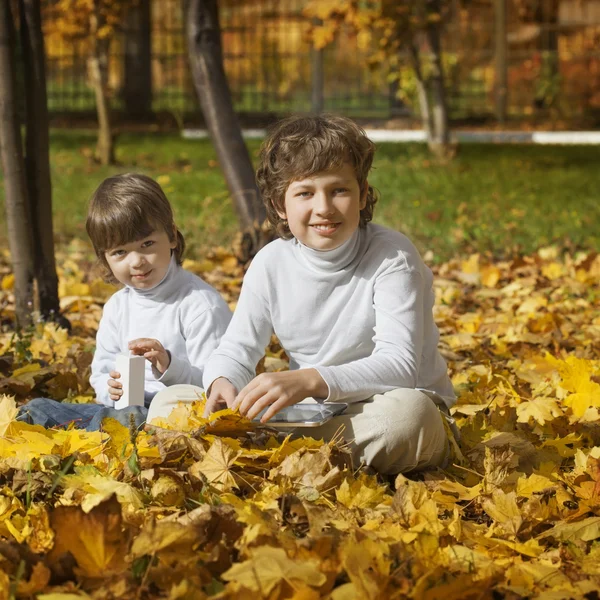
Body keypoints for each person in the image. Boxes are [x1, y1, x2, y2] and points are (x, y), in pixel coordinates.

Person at [149, 114, 457, 475]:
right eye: (305, 193)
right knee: (169, 404)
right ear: (281, 204)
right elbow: (236, 349)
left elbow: (400, 367)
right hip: (311, 416)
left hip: (382, 409)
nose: (323, 207)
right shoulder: (270, 263)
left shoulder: (393, 257)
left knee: (411, 417)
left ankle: (272, 454)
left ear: (361, 194)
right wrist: (222, 381)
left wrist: (309, 380)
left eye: (339, 190)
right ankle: (298, 454)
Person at [18, 173, 231, 431]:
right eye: (120, 252)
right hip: (122, 409)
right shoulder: (118, 307)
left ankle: (98, 429)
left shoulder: (199, 304)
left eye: (147, 244)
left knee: (131, 419)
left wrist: (170, 366)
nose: (136, 261)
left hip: (176, 413)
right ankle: (94, 427)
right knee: (38, 408)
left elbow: (217, 386)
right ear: (104, 257)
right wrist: (112, 390)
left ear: (172, 236)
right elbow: (102, 371)